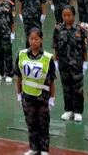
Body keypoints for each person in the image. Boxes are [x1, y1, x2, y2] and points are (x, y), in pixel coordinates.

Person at [15, 27, 56, 155]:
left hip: (42, 97)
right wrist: (18, 95)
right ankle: (33, 147)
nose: (33, 42)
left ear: (41, 40)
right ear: (28, 39)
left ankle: (44, 149)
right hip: (27, 96)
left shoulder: (48, 58)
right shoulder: (21, 55)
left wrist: (52, 99)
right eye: (31, 39)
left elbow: (52, 80)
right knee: (31, 122)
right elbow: (19, 77)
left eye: (36, 39)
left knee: (43, 124)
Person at [52, 6, 88, 122]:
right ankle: (68, 110)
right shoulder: (58, 29)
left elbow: (84, 49)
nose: (66, 18)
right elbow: (56, 47)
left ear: (74, 16)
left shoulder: (80, 30)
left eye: (69, 15)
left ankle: (77, 111)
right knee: (66, 87)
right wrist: (56, 61)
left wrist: (85, 63)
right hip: (63, 63)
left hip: (76, 64)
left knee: (77, 88)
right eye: (64, 15)